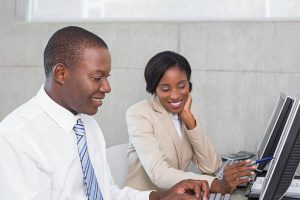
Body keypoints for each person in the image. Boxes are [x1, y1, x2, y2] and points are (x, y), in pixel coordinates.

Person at [0, 26, 210, 200]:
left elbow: (107, 194)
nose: (107, 87)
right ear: (61, 74)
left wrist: (162, 197)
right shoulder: (17, 138)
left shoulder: (87, 126)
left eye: (107, 77)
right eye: (97, 77)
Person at [124, 51, 256, 193]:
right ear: (154, 88)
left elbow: (211, 166)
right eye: (165, 89)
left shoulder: (187, 111)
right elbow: (159, 174)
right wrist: (215, 184)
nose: (175, 96)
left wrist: (189, 122)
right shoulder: (138, 113)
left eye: (181, 86)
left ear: (189, 84)